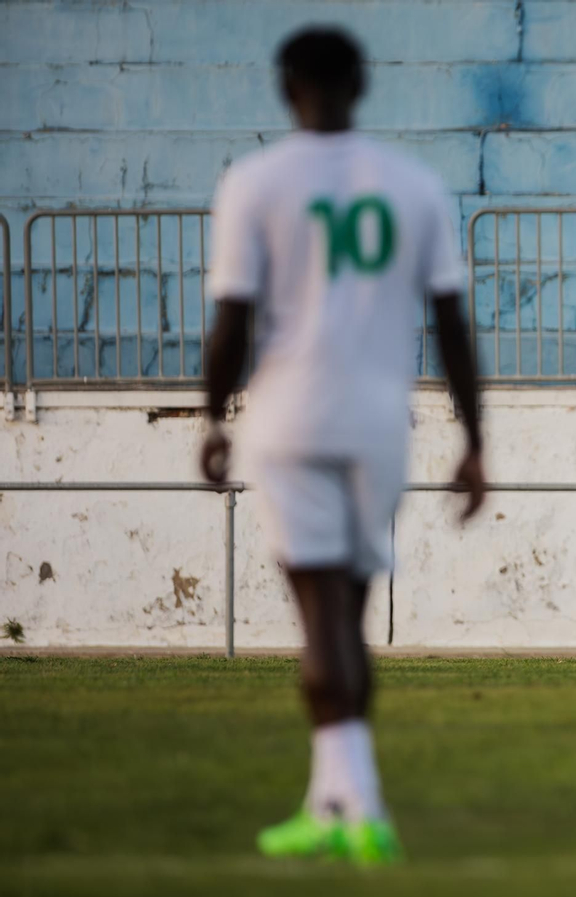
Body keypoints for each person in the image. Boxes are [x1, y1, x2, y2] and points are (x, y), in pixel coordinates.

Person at [200, 26, 486, 864]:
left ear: (286, 87)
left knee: (319, 616)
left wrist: (213, 417)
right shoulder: (414, 185)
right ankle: (334, 800)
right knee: (348, 615)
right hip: (376, 421)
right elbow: (452, 325)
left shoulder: (255, 182)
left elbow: (232, 320)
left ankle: (361, 804)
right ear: (362, 84)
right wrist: (474, 438)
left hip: (289, 417)